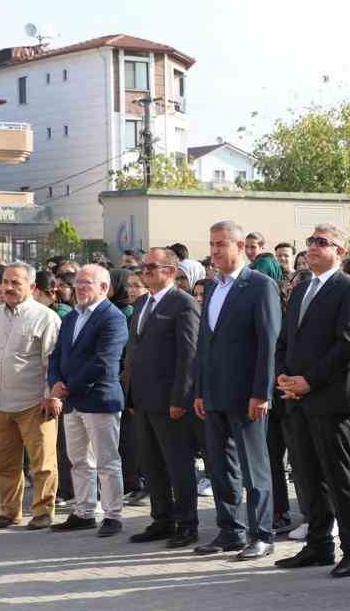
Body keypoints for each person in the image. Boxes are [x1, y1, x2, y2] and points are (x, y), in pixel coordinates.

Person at [274, 224, 350, 578]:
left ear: (340, 251)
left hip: (329, 400)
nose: (312, 247)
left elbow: (348, 345)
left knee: (338, 477)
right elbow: (285, 338)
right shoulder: (300, 289)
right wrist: (282, 375)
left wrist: (309, 381)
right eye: (311, 241)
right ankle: (318, 545)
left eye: (322, 242)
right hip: (295, 400)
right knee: (306, 476)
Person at [191, 221, 281, 560]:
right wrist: (199, 389)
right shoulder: (213, 288)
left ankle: (262, 534)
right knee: (220, 466)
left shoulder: (260, 286)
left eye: (220, 244)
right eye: (211, 244)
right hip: (213, 394)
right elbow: (205, 343)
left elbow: (267, 343)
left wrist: (262, 392)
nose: (214, 251)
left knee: (254, 468)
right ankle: (230, 531)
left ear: (240, 245)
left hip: (247, 395)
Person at [0, 263, 62, 529]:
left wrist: (50, 395)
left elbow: (52, 363)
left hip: (34, 403)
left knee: (42, 462)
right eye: (5, 282)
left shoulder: (45, 318)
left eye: (16, 283)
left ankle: (43, 511)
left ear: (32, 287)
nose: (8, 287)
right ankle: (9, 512)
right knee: (4, 462)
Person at [122, 248, 202, 548]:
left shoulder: (183, 304)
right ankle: (161, 519)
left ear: (170, 270)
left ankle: (187, 523)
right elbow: (134, 352)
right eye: (144, 267)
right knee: (152, 463)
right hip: (142, 399)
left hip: (170, 401)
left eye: (152, 267)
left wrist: (180, 398)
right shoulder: (142, 302)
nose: (145, 272)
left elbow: (189, 356)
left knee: (178, 464)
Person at [46, 265, 129, 536]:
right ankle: (84, 511)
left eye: (87, 283)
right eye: (78, 282)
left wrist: (68, 386)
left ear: (104, 288)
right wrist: (55, 381)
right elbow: (57, 354)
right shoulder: (72, 317)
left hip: (98, 399)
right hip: (73, 401)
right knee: (79, 460)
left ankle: (113, 515)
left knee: (107, 461)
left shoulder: (112, 317)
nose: (80, 287)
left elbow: (104, 362)